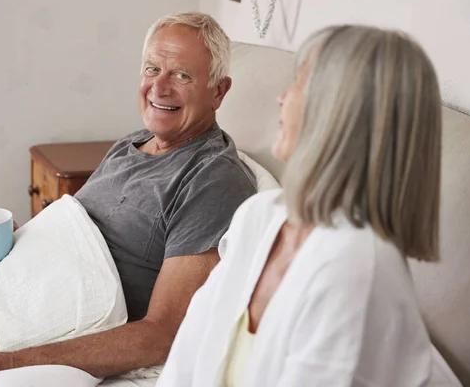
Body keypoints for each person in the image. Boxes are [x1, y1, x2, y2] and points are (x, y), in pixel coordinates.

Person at [0, 12, 256, 383]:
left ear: (218, 91)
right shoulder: (130, 144)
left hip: (37, 337)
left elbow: (162, 334)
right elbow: (77, 231)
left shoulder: (212, 180)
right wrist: (26, 242)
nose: (159, 88)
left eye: (181, 75)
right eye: (151, 69)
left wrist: (7, 364)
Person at [157, 25, 442, 386]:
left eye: (300, 83)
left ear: (341, 114)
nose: (281, 97)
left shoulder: (357, 265)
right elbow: (189, 353)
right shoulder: (259, 216)